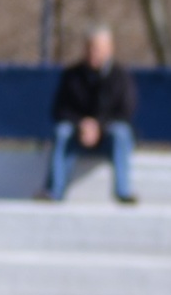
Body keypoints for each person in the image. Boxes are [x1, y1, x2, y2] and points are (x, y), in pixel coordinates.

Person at [47, 27, 138, 203]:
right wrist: (82, 124)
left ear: (109, 49)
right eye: (89, 47)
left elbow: (126, 111)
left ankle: (123, 192)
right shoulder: (72, 75)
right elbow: (60, 110)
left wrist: (99, 126)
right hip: (78, 135)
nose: (92, 52)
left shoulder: (121, 76)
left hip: (107, 137)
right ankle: (53, 191)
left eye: (97, 48)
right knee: (62, 132)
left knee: (121, 133)